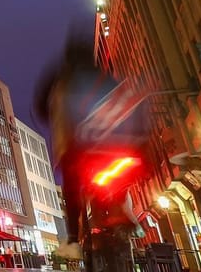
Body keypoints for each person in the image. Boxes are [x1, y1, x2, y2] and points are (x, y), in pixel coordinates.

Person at [34, 31, 140, 261]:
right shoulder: (102, 75)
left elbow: (41, 103)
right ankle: (124, 206)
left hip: (77, 147)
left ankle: (72, 239)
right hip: (115, 146)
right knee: (122, 177)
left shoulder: (60, 75)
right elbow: (128, 105)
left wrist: (48, 116)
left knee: (72, 189)